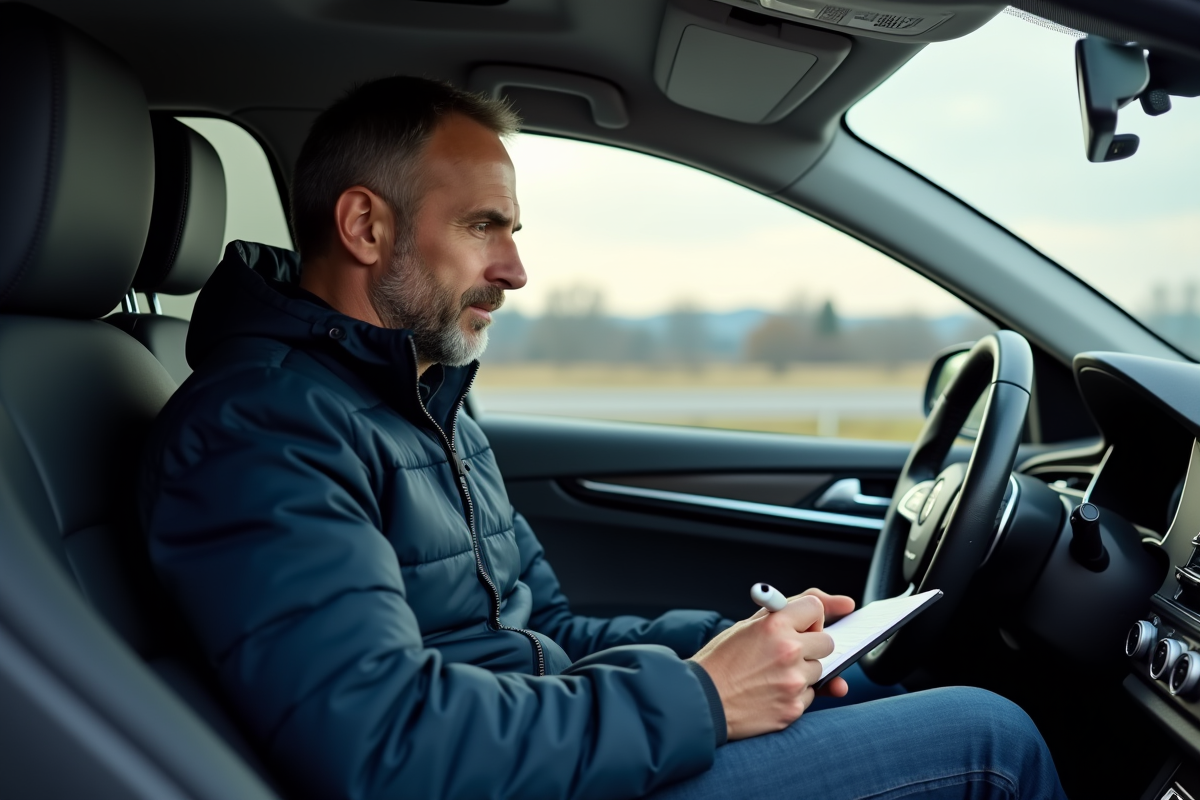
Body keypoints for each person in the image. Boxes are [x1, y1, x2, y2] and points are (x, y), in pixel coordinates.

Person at [139, 76, 1067, 800]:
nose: (516, 269)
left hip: (537, 755)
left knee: (860, 685)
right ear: (365, 226)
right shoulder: (262, 427)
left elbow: (542, 632)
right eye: (482, 226)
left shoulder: (417, 401)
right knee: (990, 739)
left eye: (512, 231)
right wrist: (706, 696)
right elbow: (387, 746)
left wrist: (738, 644)